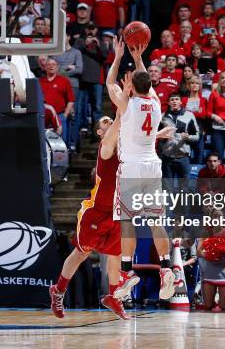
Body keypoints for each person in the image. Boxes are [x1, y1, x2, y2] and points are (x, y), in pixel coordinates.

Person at [105, 37, 175, 302]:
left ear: (132, 85)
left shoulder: (127, 104)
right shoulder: (156, 104)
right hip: (152, 166)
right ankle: (167, 267)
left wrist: (118, 56)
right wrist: (136, 58)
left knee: (126, 220)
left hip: (132, 167)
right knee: (156, 220)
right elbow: (147, 84)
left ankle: (126, 270)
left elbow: (110, 83)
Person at [50, 113, 129, 320]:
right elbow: (121, 117)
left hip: (116, 210)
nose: (110, 121)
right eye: (105, 122)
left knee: (115, 256)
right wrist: (123, 98)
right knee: (81, 253)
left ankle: (113, 296)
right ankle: (58, 290)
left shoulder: (123, 144)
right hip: (96, 211)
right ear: (100, 132)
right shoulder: (105, 147)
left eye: (110, 120)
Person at [197, 209, 225, 310]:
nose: (217, 218)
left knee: (223, 306)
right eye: (215, 216)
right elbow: (199, 252)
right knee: (208, 305)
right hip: (210, 270)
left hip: (224, 271)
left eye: (219, 216)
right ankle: (217, 299)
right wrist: (209, 255)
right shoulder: (205, 233)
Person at [159, 93, 199, 193]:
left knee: (184, 190)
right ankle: (169, 209)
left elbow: (197, 135)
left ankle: (182, 209)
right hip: (167, 158)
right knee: (168, 190)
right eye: (172, 100)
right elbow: (156, 135)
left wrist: (189, 137)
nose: (174, 101)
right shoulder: (162, 117)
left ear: (181, 102)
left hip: (183, 157)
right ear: (168, 102)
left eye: (177, 99)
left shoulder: (189, 115)